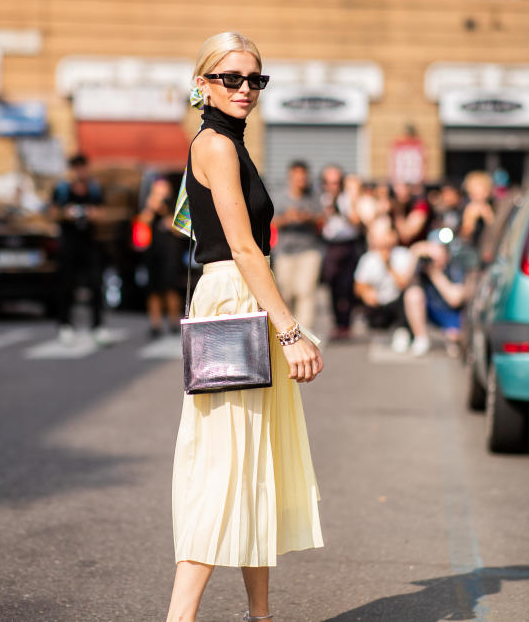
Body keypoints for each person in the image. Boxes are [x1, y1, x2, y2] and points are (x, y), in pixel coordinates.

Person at [167, 32, 324, 622]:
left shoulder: (227, 141)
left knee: (253, 466)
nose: (245, 90)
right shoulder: (216, 145)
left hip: (240, 297)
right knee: (224, 470)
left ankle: (261, 616)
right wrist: (289, 332)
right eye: (231, 78)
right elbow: (241, 246)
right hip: (236, 297)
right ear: (203, 82)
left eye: (255, 80)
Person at [49, 153, 106, 344]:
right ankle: (65, 325)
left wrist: (91, 214)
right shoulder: (62, 189)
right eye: (76, 167)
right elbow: (53, 212)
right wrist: (67, 213)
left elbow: (102, 211)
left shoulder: (94, 189)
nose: (80, 171)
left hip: (89, 242)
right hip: (69, 242)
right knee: (66, 285)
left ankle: (97, 326)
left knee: (95, 285)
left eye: (82, 167)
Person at [271, 160, 323, 329]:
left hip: (309, 250)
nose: (301, 181)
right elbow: (269, 223)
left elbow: (322, 220)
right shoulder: (279, 198)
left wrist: (308, 217)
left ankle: (305, 333)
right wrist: (286, 218)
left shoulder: (313, 197)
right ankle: (289, 328)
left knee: (305, 291)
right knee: (286, 293)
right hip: (285, 252)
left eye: (304, 178)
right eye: (297, 178)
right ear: (290, 177)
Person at [353, 216, 418, 353]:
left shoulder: (403, 255)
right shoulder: (368, 258)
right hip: (378, 306)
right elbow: (358, 286)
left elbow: (403, 283)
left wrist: (388, 264)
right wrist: (366, 292)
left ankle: (403, 331)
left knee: (408, 296)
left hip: (397, 303)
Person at [138, 176, 185, 337]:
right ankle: (155, 323)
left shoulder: (174, 205)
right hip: (153, 252)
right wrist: (151, 208)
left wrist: (166, 215)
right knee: (153, 289)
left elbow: (180, 230)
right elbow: (141, 223)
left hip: (170, 252)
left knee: (171, 287)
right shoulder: (149, 205)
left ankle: (173, 320)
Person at [404, 240, 468, 357]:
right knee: (413, 294)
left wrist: (434, 273)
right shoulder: (420, 267)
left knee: (455, 335)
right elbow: (403, 284)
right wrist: (414, 254)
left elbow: (455, 299)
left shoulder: (454, 267)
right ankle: (421, 338)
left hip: (448, 313)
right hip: (429, 311)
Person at [320, 165, 361, 341]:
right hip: (330, 246)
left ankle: (346, 324)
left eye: (336, 182)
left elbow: (356, 221)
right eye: (329, 182)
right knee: (333, 286)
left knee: (347, 286)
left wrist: (342, 207)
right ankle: (337, 323)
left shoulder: (348, 198)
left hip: (348, 244)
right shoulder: (321, 199)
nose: (333, 186)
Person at [391, 181, 431, 246]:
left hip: (418, 245)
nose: (396, 191)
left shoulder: (420, 205)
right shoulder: (392, 205)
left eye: (401, 187)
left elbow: (406, 236)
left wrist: (398, 211)